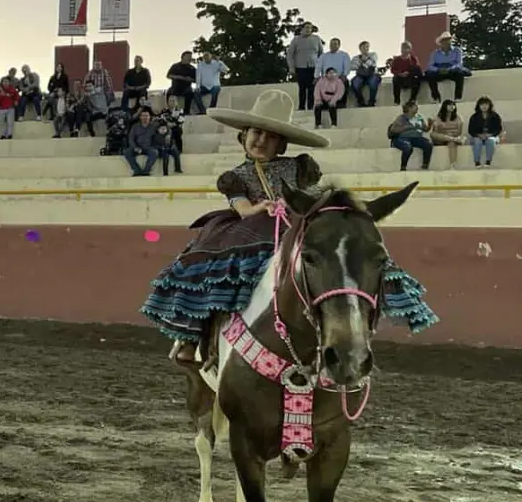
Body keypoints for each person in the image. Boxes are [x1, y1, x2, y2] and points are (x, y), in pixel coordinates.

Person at [141, 89, 437, 365]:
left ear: (281, 144)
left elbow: (317, 198)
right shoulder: (235, 176)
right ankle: (195, 336)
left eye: (270, 137)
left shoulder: (300, 167)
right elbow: (242, 209)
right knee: (210, 264)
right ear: (243, 136)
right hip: (249, 228)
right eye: (256, 133)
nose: (261, 141)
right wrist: (264, 207)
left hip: (292, 223)